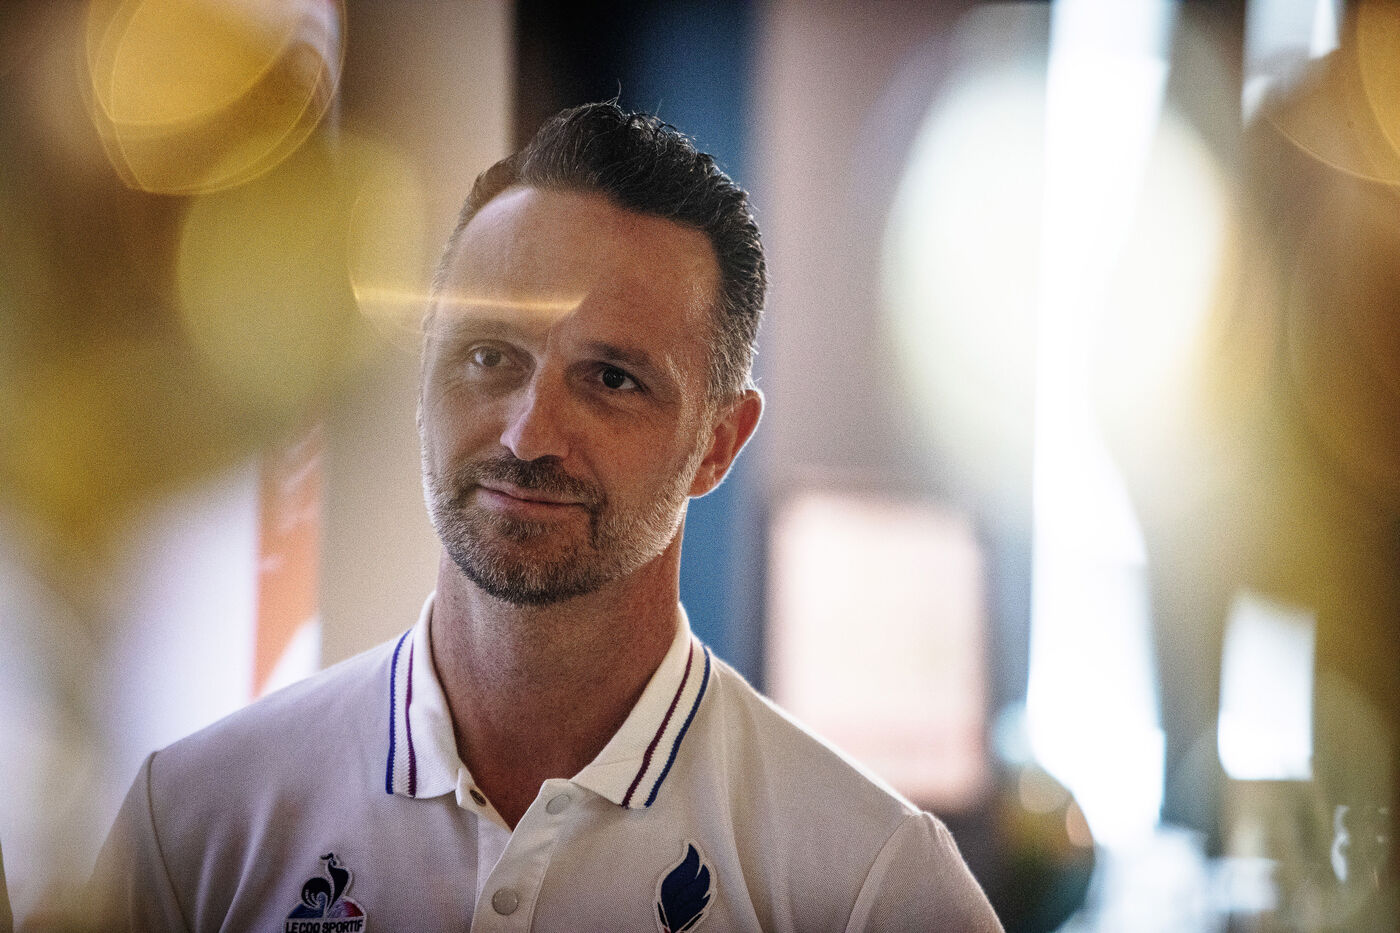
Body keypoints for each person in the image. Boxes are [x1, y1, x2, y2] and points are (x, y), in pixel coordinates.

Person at [93, 102, 1003, 932]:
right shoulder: (195, 824)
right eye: (488, 355)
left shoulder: (871, 883)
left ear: (719, 443)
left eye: (612, 378)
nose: (528, 434)